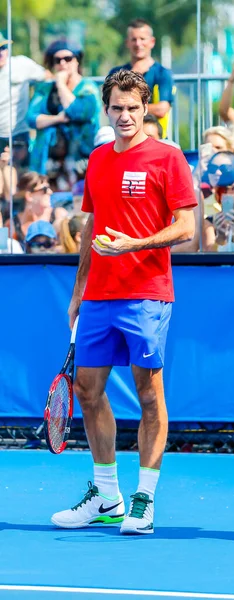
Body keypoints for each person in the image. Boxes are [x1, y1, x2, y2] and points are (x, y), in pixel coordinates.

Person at [50, 69, 196, 534]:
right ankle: (107, 495)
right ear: (107, 110)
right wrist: (78, 291)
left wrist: (134, 244)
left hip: (146, 294)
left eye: (134, 107)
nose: (126, 115)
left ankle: (144, 499)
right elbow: (91, 229)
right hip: (98, 296)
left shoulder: (168, 158)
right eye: (117, 107)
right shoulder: (96, 159)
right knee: (88, 392)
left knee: (149, 396)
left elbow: (187, 228)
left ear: (147, 107)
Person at [27, 40, 101, 181]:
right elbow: (31, 118)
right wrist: (57, 119)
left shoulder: (88, 87)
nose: (63, 63)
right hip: (47, 161)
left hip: (80, 161)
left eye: (68, 59)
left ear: (77, 61)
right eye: (57, 60)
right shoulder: (45, 89)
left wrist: (61, 84)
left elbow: (78, 112)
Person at [109, 18, 174, 138]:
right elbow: (108, 107)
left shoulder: (163, 73)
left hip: (154, 136)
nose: (138, 44)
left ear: (152, 42)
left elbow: (162, 109)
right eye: (134, 39)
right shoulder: (115, 73)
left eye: (142, 39)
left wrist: (124, 108)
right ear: (127, 42)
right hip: (123, 137)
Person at [0, 32, 50, 168]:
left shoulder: (21, 64)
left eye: (3, 48)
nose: (1, 52)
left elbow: (47, 77)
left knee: (19, 174)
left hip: (18, 133)